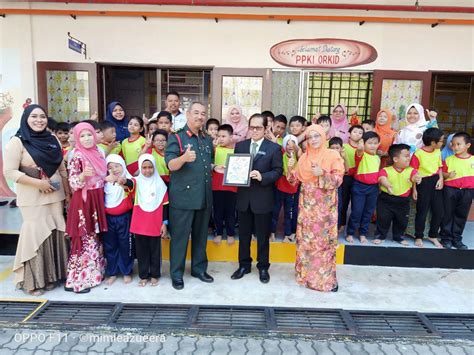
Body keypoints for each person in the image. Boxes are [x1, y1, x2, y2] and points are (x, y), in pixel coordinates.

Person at [3, 104, 69, 296]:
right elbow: (10, 171)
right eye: (34, 116)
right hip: (32, 196)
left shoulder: (52, 138)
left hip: (56, 195)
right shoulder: (18, 141)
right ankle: (34, 281)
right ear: (26, 118)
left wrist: (68, 193)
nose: (39, 120)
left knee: (55, 232)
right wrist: (38, 184)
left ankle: (51, 277)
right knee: (36, 234)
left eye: (42, 116)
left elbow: (61, 168)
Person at [287, 124, 344, 292]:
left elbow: (338, 180)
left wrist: (322, 173)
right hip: (306, 207)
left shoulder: (332, 155)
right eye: (310, 137)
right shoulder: (304, 157)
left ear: (323, 136)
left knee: (323, 243)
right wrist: (291, 167)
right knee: (306, 241)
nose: (313, 140)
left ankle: (325, 280)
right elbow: (294, 181)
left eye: (316, 136)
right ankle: (305, 276)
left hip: (325, 208)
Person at [165, 102, 214, 290]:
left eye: (203, 114)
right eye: (196, 113)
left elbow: (206, 164)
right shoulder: (176, 138)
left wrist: (215, 168)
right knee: (180, 238)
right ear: (187, 114)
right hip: (183, 199)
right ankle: (176, 274)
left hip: (204, 197)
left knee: (201, 237)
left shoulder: (206, 139)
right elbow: (170, 165)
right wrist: (183, 158)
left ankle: (199, 269)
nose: (200, 117)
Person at [231, 114, 283, 284]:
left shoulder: (273, 148)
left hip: (263, 198)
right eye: (251, 127)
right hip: (243, 198)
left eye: (258, 128)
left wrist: (262, 176)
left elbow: (278, 171)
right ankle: (244, 265)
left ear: (265, 128)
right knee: (244, 235)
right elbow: (236, 168)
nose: (254, 131)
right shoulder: (240, 146)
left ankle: (263, 267)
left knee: (262, 236)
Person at [65, 122, 107, 293]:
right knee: (84, 238)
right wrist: (83, 175)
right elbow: (73, 182)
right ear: (77, 138)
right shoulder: (77, 155)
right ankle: (79, 281)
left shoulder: (99, 152)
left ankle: (91, 274)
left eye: (89, 134)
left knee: (94, 237)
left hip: (96, 198)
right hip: (84, 200)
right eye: (82, 136)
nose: (87, 138)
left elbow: (102, 176)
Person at [130, 154, 169, 286]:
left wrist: (165, 223)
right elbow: (129, 183)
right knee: (141, 251)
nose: (147, 170)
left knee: (155, 251)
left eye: (150, 167)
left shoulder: (160, 184)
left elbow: (165, 205)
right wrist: (121, 180)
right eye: (144, 167)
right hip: (140, 222)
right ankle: (143, 275)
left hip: (155, 222)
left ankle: (155, 274)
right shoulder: (137, 181)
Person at [374, 144, 421, 246]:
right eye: (406, 156)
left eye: (409, 155)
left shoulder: (411, 170)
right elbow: (382, 178)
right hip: (386, 199)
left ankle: (398, 237)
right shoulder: (386, 170)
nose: (409, 158)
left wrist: (416, 179)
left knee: (402, 220)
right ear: (395, 159)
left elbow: (414, 177)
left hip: (403, 201)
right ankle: (381, 236)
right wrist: (387, 185)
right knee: (383, 219)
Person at [410, 128, 445, 248]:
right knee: (422, 211)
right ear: (433, 142)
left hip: (436, 181)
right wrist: (414, 189)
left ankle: (433, 235)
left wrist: (441, 179)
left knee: (439, 211)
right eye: (441, 141)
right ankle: (418, 236)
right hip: (422, 183)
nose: (442, 143)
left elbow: (440, 167)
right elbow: (413, 172)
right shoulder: (418, 154)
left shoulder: (437, 151)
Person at [103, 154, 134, 285]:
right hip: (109, 218)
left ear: (123, 165)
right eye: (110, 167)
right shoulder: (104, 182)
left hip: (124, 218)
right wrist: (106, 179)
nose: (114, 170)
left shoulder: (128, 179)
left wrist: (122, 182)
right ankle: (112, 271)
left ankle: (126, 271)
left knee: (125, 244)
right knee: (110, 246)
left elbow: (130, 186)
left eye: (117, 166)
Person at [346, 131, 381, 244]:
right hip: (359, 187)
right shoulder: (361, 154)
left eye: (375, 143)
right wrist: (360, 146)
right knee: (357, 211)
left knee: (368, 212)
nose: (373, 145)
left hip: (373, 188)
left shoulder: (377, 158)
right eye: (370, 143)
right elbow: (359, 150)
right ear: (364, 144)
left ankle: (363, 233)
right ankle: (350, 233)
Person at [440, 132, 473, 250]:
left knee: (461, 215)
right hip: (450, 189)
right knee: (447, 214)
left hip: (467, 191)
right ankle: (446, 238)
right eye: (453, 144)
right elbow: (442, 174)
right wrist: (447, 174)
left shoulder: (473, 160)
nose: (455, 147)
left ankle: (457, 239)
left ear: (468, 145)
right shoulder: (448, 159)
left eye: (459, 144)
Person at [271, 134, 300, 243]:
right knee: (275, 211)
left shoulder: (298, 156)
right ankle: (272, 233)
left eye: (292, 143)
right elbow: (277, 146)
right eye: (287, 143)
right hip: (280, 187)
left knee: (289, 213)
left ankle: (287, 234)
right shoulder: (281, 154)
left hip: (292, 188)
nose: (290, 146)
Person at [212, 124, 237, 245]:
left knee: (230, 211)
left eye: (224, 136)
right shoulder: (214, 149)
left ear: (231, 137)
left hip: (231, 187)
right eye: (218, 136)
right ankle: (219, 233)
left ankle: (231, 233)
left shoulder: (236, 151)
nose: (220, 138)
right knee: (218, 210)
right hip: (216, 186)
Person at [339, 125, 364, 231]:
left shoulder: (363, 149)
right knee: (343, 201)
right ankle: (342, 223)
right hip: (346, 178)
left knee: (357, 204)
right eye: (355, 132)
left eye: (360, 132)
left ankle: (354, 226)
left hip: (358, 179)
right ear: (349, 134)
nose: (357, 134)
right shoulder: (343, 146)